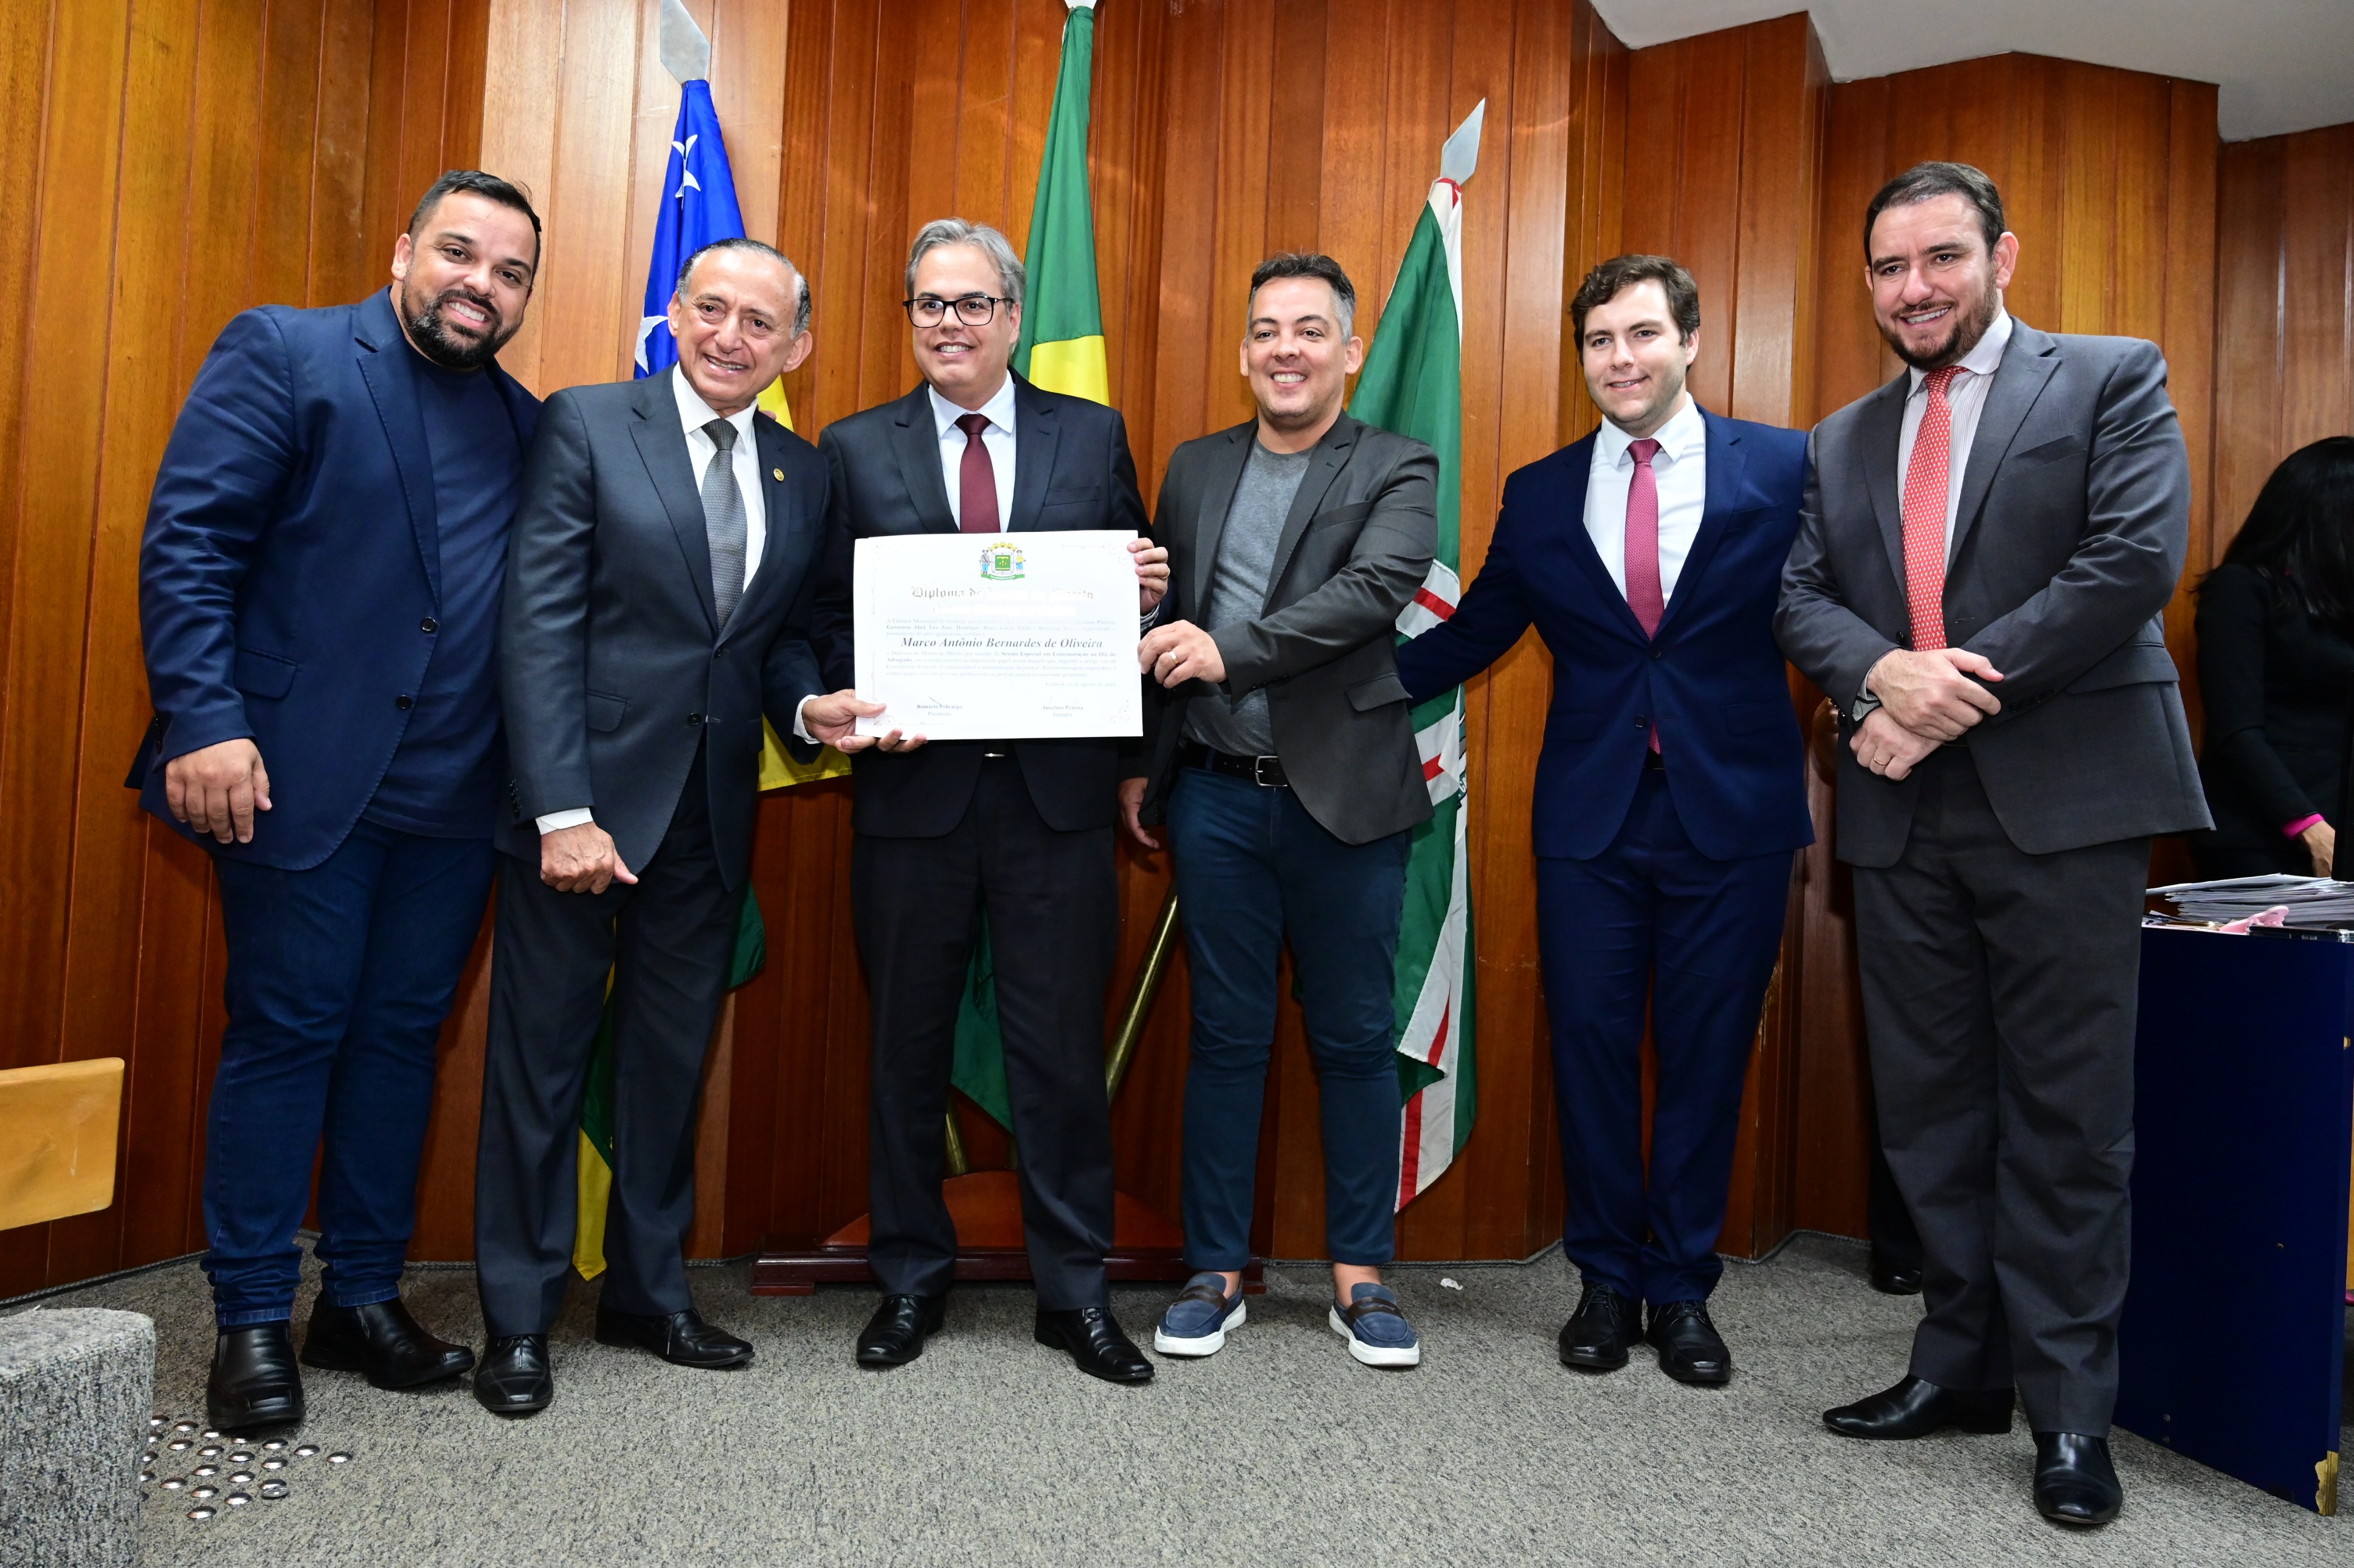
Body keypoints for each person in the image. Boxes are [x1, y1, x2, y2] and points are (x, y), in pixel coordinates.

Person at [1776, 161, 2210, 1528]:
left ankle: (2070, 1408)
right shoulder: (1840, 436)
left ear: (2001, 256)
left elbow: (2128, 561)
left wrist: (1936, 691)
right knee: (1931, 1109)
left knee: (2068, 1120)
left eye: (1941, 258)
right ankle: (1959, 1364)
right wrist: (1880, 677)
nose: (1914, 288)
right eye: (1888, 267)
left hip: (2064, 801)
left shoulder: (2110, 377)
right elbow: (1799, 595)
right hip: (1902, 814)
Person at [132, 170, 544, 1430]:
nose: (480, 284)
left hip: (455, 802)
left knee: (400, 1043)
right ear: (404, 250)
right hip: (292, 777)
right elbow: (191, 539)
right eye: (460, 253)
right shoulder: (289, 350)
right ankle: (253, 1311)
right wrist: (206, 716)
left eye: (511, 272)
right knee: (289, 1031)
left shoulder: (527, 422)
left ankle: (359, 1296)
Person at [472, 238, 875, 1415]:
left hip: (709, 814)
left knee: (666, 1066)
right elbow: (538, 621)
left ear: (796, 345)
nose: (729, 337)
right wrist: (561, 809)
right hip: (582, 813)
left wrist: (807, 706)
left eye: (759, 322)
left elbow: (778, 638)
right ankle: (518, 1313)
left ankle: (648, 1292)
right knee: (541, 1066)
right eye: (711, 309)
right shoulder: (589, 422)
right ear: (675, 314)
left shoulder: (803, 470)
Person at [1396, 254, 1811, 1387]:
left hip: (1734, 814)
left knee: (1706, 1054)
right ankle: (1605, 1281)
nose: (1620, 359)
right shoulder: (1539, 491)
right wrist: (1328, 684)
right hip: (1591, 820)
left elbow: (1829, 608)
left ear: (1689, 341)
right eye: (1598, 341)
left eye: (1642, 334)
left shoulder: (1783, 466)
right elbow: (1475, 632)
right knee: (1588, 1048)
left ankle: (1680, 1287)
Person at [810, 219, 1168, 1383]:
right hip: (911, 796)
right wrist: (848, 693)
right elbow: (823, 614)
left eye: (971, 303)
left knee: (1059, 1054)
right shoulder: (852, 445)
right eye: (929, 303)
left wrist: (1144, 592)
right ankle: (910, 1277)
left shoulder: (1091, 432)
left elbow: (1133, 600)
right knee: (904, 1051)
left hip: (1055, 801)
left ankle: (1074, 1292)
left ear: (1013, 316)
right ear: (909, 317)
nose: (949, 323)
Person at [1125, 253, 1438, 1367]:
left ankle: (1360, 1272)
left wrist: (1230, 650)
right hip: (1213, 796)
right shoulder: (1196, 464)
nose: (1285, 349)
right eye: (1265, 330)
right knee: (1225, 1036)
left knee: (1352, 1039)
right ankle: (1215, 1268)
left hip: (1344, 802)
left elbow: (1372, 593)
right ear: (1245, 350)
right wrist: (1145, 753)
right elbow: (1171, 620)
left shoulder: (1397, 463)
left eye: (1310, 329)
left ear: (1348, 350)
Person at [2192, 438, 2354, 878]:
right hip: (2263, 838)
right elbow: (2237, 730)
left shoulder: (2341, 603)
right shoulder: (2242, 589)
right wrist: (2310, 828)